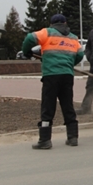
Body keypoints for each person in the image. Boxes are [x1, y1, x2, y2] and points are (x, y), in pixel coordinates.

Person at [22, 14, 84, 150]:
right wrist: (68, 63)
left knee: (48, 106)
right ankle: (73, 137)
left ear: (52, 24)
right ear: (65, 22)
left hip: (51, 75)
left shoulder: (47, 32)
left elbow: (29, 38)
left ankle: (45, 140)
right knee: (67, 105)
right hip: (67, 75)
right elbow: (80, 54)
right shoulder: (73, 37)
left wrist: (27, 52)